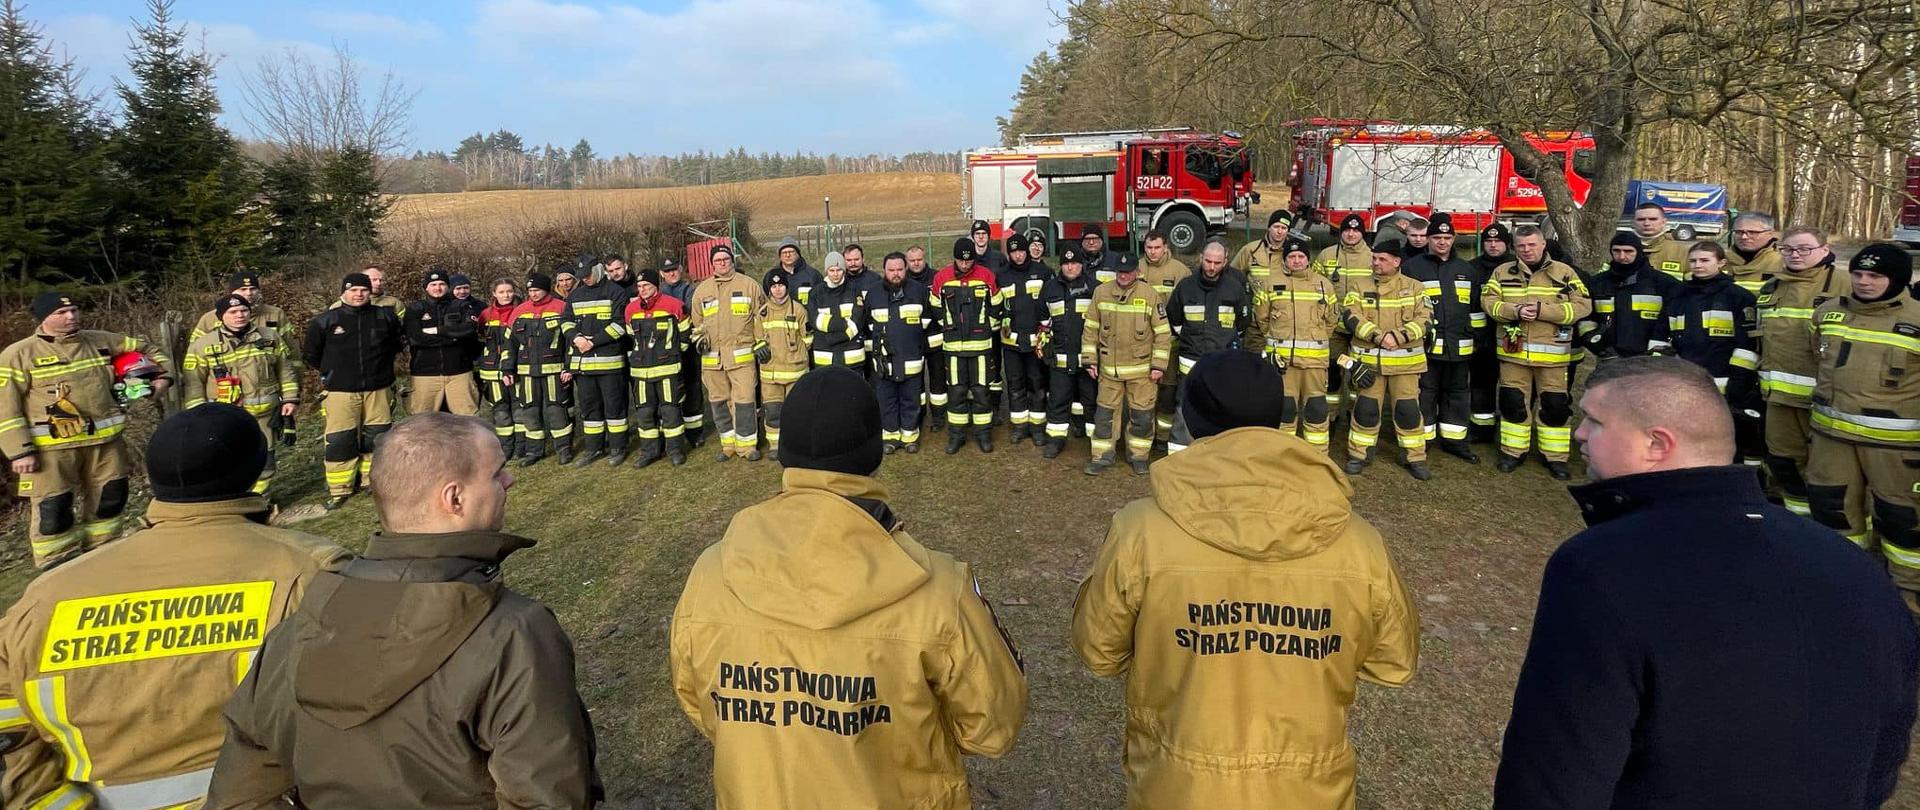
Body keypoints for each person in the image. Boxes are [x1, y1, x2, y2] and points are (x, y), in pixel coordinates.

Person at [1494, 356, 1918, 809]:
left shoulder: (1601, 567)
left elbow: (1558, 768)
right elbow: (1887, 740)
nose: (1578, 433)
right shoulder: (1850, 564)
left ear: (1657, 444)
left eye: (1594, 422)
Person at [1072, 350, 1419, 808]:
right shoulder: (1360, 542)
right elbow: (1393, 664)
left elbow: (1099, 651)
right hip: (1311, 791)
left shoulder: (1140, 530)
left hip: (1178, 787)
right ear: (1276, 416)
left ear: (1192, 421)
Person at [670, 367, 1027, 809]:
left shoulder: (710, 574)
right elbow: (992, 728)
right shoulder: (938, 591)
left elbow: (700, 704)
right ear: (872, 452)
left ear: (786, 453)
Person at [207, 413, 602, 809]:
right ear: (455, 499)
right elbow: (549, 798)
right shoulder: (514, 634)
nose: (509, 480)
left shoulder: (295, 633)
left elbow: (242, 793)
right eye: (498, 472)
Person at [0, 405, 349, 810]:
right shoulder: (312, 570)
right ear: (254, 471)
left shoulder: (44, 596)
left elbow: (9, 726)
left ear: (153, 477)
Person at [2, 293, 170, 568]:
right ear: (44, 317)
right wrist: (19, 452)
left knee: (111, 500)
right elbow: (5, 409)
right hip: (51, 451)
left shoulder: (100, 340)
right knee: (53, 512)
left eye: (74, 310)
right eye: (62, 312)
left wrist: (161, 379)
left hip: (106, 444)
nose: (71, 316)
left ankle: (105, 557)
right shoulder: (18, 355)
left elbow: (149, 350)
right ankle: (55, 566)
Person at [1805, 244, 1920, 612]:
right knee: (1833, 515)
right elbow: (1815, 360)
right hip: (1831, 440)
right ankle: (1844, 596)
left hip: (1897, 449)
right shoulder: (1827, 312)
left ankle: (1908, 607)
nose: (1864, 282)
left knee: (1905, 527)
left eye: (1875, 276)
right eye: (1858, 274)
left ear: (1897, 280)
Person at [1483, 226, 1592, 480]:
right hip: (1513, 354)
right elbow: (1488, 302)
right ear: (1514, 247)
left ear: (1544, 244)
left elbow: (1583, 306)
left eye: (1532, 245)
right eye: (1521, 246)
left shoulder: (1565, 273)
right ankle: (1512, 452)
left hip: (1552, 356)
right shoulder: (1502, 272)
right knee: (1513, 403)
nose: (1526, 250)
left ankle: (1555, 457)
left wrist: (1545, 311)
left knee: (1555, 407)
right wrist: (1515, 311)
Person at [1756, 226, 1850, 516]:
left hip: (1827, 401)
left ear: (1824, 250)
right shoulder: (1772, 286)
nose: (1795, 255)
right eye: (1787, 249)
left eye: (1804, 249)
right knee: (1783, 463)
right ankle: (1799, 522)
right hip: (1779, 399)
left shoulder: (1844, 285)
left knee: (1831, 473)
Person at [1657, 241, 1763, 468]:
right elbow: (1662, 335)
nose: (1698, 265)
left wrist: (1739, 382)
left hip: (1727, 380)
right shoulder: (1678, 295)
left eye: (1705, 260)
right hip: (1684, 379)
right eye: (1693, 260)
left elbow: (1747, 344)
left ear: (1721, 263)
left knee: (1728, 437)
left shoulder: (1738, 297)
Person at [182, 294, 300, 495]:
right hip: (223, 418)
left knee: (265, 461)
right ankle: (234, 503)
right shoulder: (202, 346)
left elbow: (285, 370)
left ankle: (260, 500)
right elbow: (193, 383)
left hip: (265, 414)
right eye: (233, 312)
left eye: (244, 311)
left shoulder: (269, 337)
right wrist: (198, 416)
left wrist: (290, 398)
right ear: (221, 317)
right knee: (227, 462)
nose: (240, 315)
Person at [303, 273, 402, 510]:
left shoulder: (385, 317)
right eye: (353, 290)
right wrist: (334, 373)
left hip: (378, 388)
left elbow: (395, 347)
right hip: (340, 391)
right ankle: (340, 489)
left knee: (377, 437)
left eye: (363, 290)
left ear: (370, 292)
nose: (359, 294)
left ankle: (372, 481)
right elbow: (311, 355)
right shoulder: (325, 321)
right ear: (343, 292)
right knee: (340, 439)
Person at [1343, 241, 1434, 479]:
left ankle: (1415, 456)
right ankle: (1359, 454)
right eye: (1374, 258)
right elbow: (1351, 316)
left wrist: (1398, 336)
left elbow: (1426, 319)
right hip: (1369, 363)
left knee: (1408, 411)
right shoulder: (1358, 285)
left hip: (1405, 364)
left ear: (1397, 262)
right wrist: (1379, 336)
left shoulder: (1415, 287)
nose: (1376, 263)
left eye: (1382, 259)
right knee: (1366, 409)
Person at [1404, 214, 1484, 462]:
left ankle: (1455, 441)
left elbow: (1476, 309)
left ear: (1453, 239)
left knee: (1457, 393)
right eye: (1437, 237)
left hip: (1460, 347)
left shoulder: (1466, 270)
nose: (1442, 242)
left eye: (1447, 238)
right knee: (1426, 393)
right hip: (1426, 347)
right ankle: (1424, 439)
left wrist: (1478, 338)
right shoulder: (1412, 268)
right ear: (1428, 239)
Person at [1083, 253, 1171, 476]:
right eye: (1120, 272)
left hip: (1142, 372)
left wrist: (1158, 366)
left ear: (1137, 272)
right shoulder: (1101, 293)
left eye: (1128, 272)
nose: (1123, 276)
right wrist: (1089, 360)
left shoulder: (1150, 296)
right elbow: (1091, 329)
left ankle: (1139, 456)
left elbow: (1162, 334)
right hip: (1109, 371)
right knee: (1105, 416)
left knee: (1141, 416)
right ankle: (1102, 456)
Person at [1250, 238, 1341, 451]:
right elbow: (1261, 319)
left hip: (1314, 363)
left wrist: (1315, 339)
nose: (1297, 261)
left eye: (1301, 256)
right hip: (1282, 363)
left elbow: (1332, 320)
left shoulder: (1323, 284)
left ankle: (1317, 455)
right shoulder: (1270, 282)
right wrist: (1276, 340)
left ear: (1307, 259)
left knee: (1316, 410)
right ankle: (1282, 454)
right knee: (1285, 410)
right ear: (1285, 260)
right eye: (1292, 257)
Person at [1165, 241, 1251, 454]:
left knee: (1222, 405)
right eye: (1208, 261)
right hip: (1190, 359)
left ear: (1225, 261)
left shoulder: (1235, 288)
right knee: (1185, 405)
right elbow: (1173, 318)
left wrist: (1225, 340)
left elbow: (1242, 323)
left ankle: (1219, 453)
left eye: (1217, 263)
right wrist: (1189, 337)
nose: (1211, 267)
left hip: (1223, 361)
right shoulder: (1185, 286)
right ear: (1201, 258)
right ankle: (1178, 454)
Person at [691, 244, 766, 462]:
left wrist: (760, 342)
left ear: (732, 261)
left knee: (744, 401)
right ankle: (728, 445)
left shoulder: (749, 285)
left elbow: (761, 317)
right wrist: (700, 340)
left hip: (741, 357)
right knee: (719, 402)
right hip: (712, 360)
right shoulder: (702, 291)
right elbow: (698, 323)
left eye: (726, 259)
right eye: (718, 260)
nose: (722, 263)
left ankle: (747, 446)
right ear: (712, 264)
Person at [930, 237, 1000, 454]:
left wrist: (986, 327)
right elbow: (935, 307)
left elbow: (996, 305)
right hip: (953, 348)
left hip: (980, 347)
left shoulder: (986, 276)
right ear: (955, 259)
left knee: (981, 392)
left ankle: (983, 434)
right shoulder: (941, 277)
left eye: (968, 262)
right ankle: (956, 435)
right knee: (957, 392)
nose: (965, 265)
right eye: (961, 261)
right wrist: (948, 326)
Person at [561, 257, 633, 466]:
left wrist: (594, 342)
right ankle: (594, 448)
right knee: (590, 409)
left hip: (609, 364)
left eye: (589, 275)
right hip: (583, 366)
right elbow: (565, 321)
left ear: (600, 270)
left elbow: (620, 325)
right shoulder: (575, 295)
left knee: (615, 408)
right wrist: (576, 338)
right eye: (582, 277)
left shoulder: (615, 292)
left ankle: (619, 447)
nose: (587, 279)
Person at [865, 252, 939, 454]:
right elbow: (868, 326)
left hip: (911, 358)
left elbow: (928, 321)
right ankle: (890, 437)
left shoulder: (919, 291)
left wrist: (917, 346)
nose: (896, 274)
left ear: (905, 269)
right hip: (884, 361)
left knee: (911, 400)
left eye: (899, 269)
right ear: (884, 271)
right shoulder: (873, 294)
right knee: (886, 400)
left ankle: (910, 436)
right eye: (891, 270)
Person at [624, 264, 692, 468]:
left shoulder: (674, 305)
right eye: (639, 285)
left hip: (668, 370)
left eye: (646, 285)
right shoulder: (631, 309)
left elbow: (686, 335)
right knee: (645, 413)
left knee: (670, 412)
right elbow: (630, 338)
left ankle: (675, 450)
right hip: (641, 373)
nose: (642, 289)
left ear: (656, 285)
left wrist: (671, 355)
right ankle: (649, 451)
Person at [507, 271, 574, 466]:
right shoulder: (519, 311)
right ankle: (534, 451)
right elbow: (509, 344)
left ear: (546, 289)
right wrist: (507, 369)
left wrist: (569, 367)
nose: (533, 294)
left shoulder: (561, 308)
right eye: (530, 290)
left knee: (556, 409)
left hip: (554, 370)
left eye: (537, 290)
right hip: (526, 372)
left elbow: (570, 341)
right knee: (530, 411)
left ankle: (563, 449)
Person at [1040, 247, 1100, 458]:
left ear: (1081, 264)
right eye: (1066, 263)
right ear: (1060, 266)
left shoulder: (1095, 288)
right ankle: (1055, 441)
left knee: (1091, 402)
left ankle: (1097, 444)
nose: (1070, 266)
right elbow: (1043, 322)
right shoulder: (1050, 288)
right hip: (1060, 360)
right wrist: (1044, 345)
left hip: (1087, 360)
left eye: (1074, 262)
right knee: (1057, 402)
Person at [401, 268, 482, 417]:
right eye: (433, 284)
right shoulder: (415, 309)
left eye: (442, 284)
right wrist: (454, 337)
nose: (438, 288)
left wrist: (438, 331)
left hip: (459, 372)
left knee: (467, 419)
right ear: (426, 287)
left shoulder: (461, 306)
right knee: (422, 421)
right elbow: (415, 338)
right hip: (425, 374)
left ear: (448, 286)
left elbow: (469, 329)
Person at [1583, 231, 1676, 360]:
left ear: (1638, 251)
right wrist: (1597, 346)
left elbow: (1672, 319)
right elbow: (1585, 317)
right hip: (1609, 356)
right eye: (1617, 251)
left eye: (1628, 251)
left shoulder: (1663, 283)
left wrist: (1659, 346)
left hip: (1650, 357)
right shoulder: (1597, 283)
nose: (1622, 256)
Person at [996, 233, 1052, 447]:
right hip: (1011, 345)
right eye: (1013, 252)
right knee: (1015, 385)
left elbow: (1051, 305)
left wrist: (1046, 333)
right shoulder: (1001, 276)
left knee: (1037, 385)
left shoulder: (1043, 273)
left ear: (1027, 251)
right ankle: (1020, 427)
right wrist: (1002, 321)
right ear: (1008, 253)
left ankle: (1037, 427)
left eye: (1021, 251)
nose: (1018, 256)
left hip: (1036, 343)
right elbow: (996, 306)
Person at [1138, 230, 1192, 445]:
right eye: (1149, 248)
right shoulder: (1136, 268)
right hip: (1140, 344)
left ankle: (1162, 437)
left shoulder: (1180, 272)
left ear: (1166, 247)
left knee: (1168, 391)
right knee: (1143, 392)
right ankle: (1142, 434)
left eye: (1157, 248)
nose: (1153, 252)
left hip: (1170, 343)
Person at [753, 269, 810, 456]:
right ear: (769, 290)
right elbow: (757, 337)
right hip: (771, 374)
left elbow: (808, 338)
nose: (778, 290)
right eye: (774, 286)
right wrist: (759, 347)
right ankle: (775, 445)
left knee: (797, 411)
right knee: (773, 411)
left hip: (796, 372)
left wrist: (798, 355)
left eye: (781, 285)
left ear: (787, 287)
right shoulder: (762, 313)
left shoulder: (799, 310)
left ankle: (797, 442)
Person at [1467, 223, 1514, 444]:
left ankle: (1509, 430)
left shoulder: (1517, 267)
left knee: (1511, 388)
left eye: (1498, 241)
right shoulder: (1471, 268)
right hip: (1481, 340)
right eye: (1488, 241)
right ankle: (1481, 429)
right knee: (1481, 385)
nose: (1493, 245)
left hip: (1512, 338)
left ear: (1507, 243)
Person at [658, 257, 706, 446]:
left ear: (680, 269)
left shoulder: (691, 291)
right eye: (667, 270)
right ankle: (668, 432)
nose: (672, 273)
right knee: (667, 394)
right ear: (661, 273)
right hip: (665, 352)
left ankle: (695, 433)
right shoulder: (658, 293)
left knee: (692, 389)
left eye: (674, 269)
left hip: (688, 350)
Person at [479, 278, 523, 456]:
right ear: (494, 294)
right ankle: (505, 447)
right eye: (502, 292)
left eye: (509, 291)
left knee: (519, 408)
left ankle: (522, 446)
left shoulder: (521, 311)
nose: (506, 295)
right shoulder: (485, 315)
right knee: (500, 409)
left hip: (518, 368)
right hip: (492, 371)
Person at [189, 270, 291, 346]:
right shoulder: (210, 318)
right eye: (243, 289)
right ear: (232, 291)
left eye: (253, 289)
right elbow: (195, 348)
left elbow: (290, 346)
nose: (249, 293)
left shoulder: (275, 314)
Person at [905, 245, 947, 427]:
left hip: (935, 339)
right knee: (916, 382)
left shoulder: (937, 278)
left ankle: (938, 416)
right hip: (912, 341)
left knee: (938, 380)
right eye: (912, 260)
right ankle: (919, 414)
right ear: (907, 262)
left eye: (919, 259)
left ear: (925, 258)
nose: (916, 263)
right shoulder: (902, 281)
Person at [807, 251, 869, 370]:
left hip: (852, 360)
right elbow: (815, 321)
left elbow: (858, 321)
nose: (835, 274)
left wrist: (835, 337)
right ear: (826, 271)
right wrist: (845, 324)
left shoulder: (854, 291)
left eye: (839, 270)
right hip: (825, 358)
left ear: (844, 271)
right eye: (832, 270)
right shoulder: (816, 293)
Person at [1231, 209, 1295, 292]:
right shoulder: (1251, 250)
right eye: (1276, 227)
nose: (1279, 231)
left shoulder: (1294, 254)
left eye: (1284, 228)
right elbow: (1231, 275)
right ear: (1269, 228)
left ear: (1288, 231)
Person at [1630, 202, 1690, 279]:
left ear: (1663, 222)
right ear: (1633, 223)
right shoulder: (1619, 248)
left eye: (1653, 219)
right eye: (1641, 219)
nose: (1647, 223)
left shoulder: (1682, 251)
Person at [1726, 212, 1782, 293]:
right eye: (1739, 232)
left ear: (1770, 233)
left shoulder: (1784, 262)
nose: (1744, 237)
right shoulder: (1719, 261)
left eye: (1752, 232)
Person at [770, 237, 825, 307]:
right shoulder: (772, 275)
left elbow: (822, 299)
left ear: (798, 254)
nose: (788, 255)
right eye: (784, 252)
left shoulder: (813, 275)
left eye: (791, 252)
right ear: (780, 256)